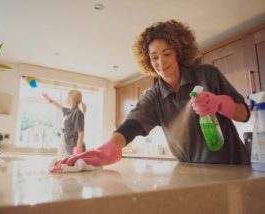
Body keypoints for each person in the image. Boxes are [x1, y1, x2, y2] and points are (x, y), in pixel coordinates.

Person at [50, 19, 250, 171]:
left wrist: (220, 103)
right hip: (195, 172)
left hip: (236, 167)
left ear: (178, 52)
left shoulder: (207, 74)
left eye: (167, 53)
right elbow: (130, 127)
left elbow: (245, 114)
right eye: (154, 57)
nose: (161, 63)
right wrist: (104, 152)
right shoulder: (153, 98)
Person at [43, 90, 86, 155]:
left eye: (67, 96)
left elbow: (81, 134)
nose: (66, 98)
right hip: (68, 146)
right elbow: (58, 106)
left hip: (75, 148)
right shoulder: (69, 111)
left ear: (72, 98)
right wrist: (47, 98)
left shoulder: (78, 113)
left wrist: (77, 152)